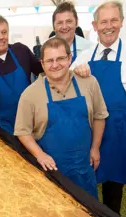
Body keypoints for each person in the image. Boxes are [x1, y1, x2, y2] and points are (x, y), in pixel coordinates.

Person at [72, 1, 126, 214]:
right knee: (88, 181)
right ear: (95, 26)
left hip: (120, 132)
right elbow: (66, 88)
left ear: (121, 22)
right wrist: (77, 75)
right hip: (91, 132)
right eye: (103, 21)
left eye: (114, 20)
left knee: (113, 188)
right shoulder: (84, 58)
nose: (108, 26)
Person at [15, 37, 108, 198]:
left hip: (83, 167)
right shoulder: (30, 95)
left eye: (60, 58)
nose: (55, 64)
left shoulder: (89, 83)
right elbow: (23, 132)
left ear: (70, 58)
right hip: (51, 172)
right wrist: (40, 155)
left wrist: (95, 147)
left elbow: (99, 116)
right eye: (49, 60)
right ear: (42, 64)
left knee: (90, 216)